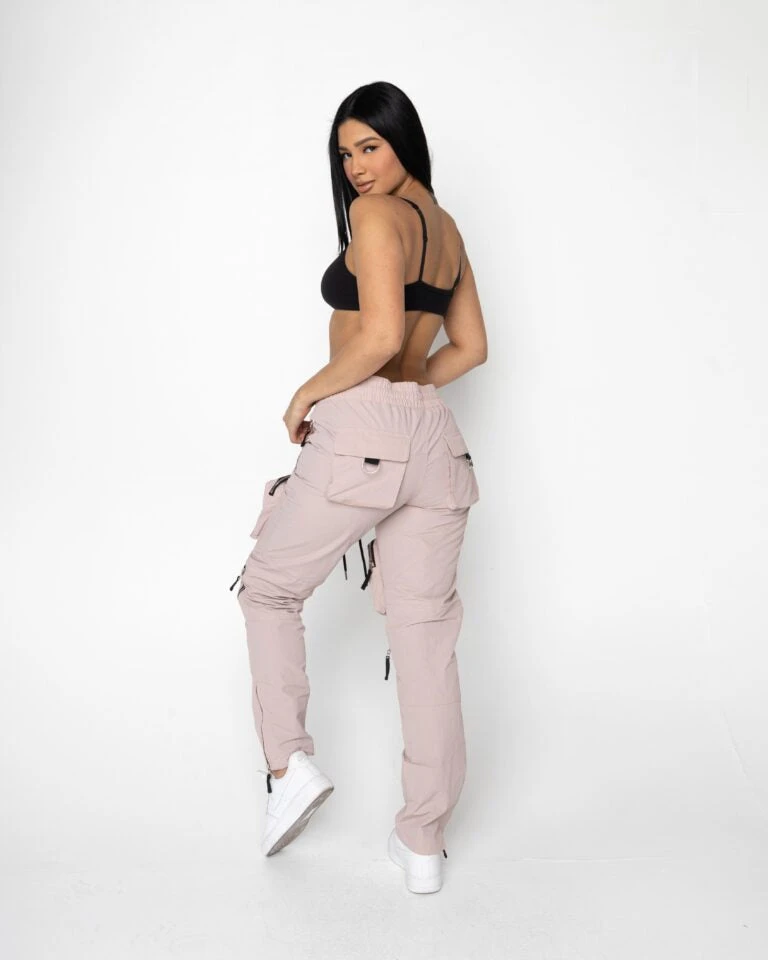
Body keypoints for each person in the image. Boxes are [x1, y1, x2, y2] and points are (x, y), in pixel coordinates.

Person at [232, 80, 488, 893]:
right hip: (436, 441)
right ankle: (422, 843)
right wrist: (409, 393)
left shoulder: (377, 217)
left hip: (364, 433)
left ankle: (288, 767)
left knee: (269, 589)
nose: (356, 168)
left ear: (403, 139)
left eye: (369, 146)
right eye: (344, 154)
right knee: (424, 638)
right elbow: (469, 348)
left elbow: (377, 336)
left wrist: (308, 394)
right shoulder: (447, 231)